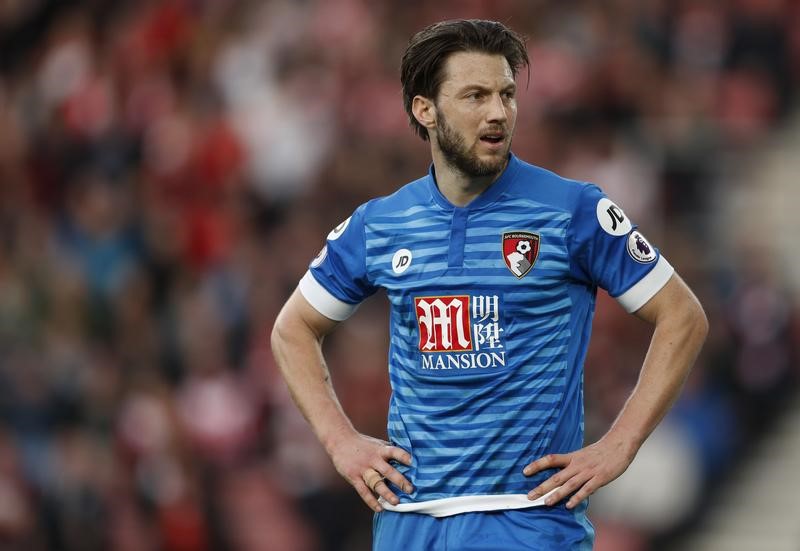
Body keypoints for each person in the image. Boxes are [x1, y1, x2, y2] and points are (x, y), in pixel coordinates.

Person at [271, 18, 708, 550]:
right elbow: (292, 329)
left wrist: (620, 444)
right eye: (475, 95)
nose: (498, 112)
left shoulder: (573, 211)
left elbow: (681, 315)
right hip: (410, 522)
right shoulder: (381, 223)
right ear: (424, 109)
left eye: (506, 94)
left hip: (527, 520)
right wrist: (340, 442)